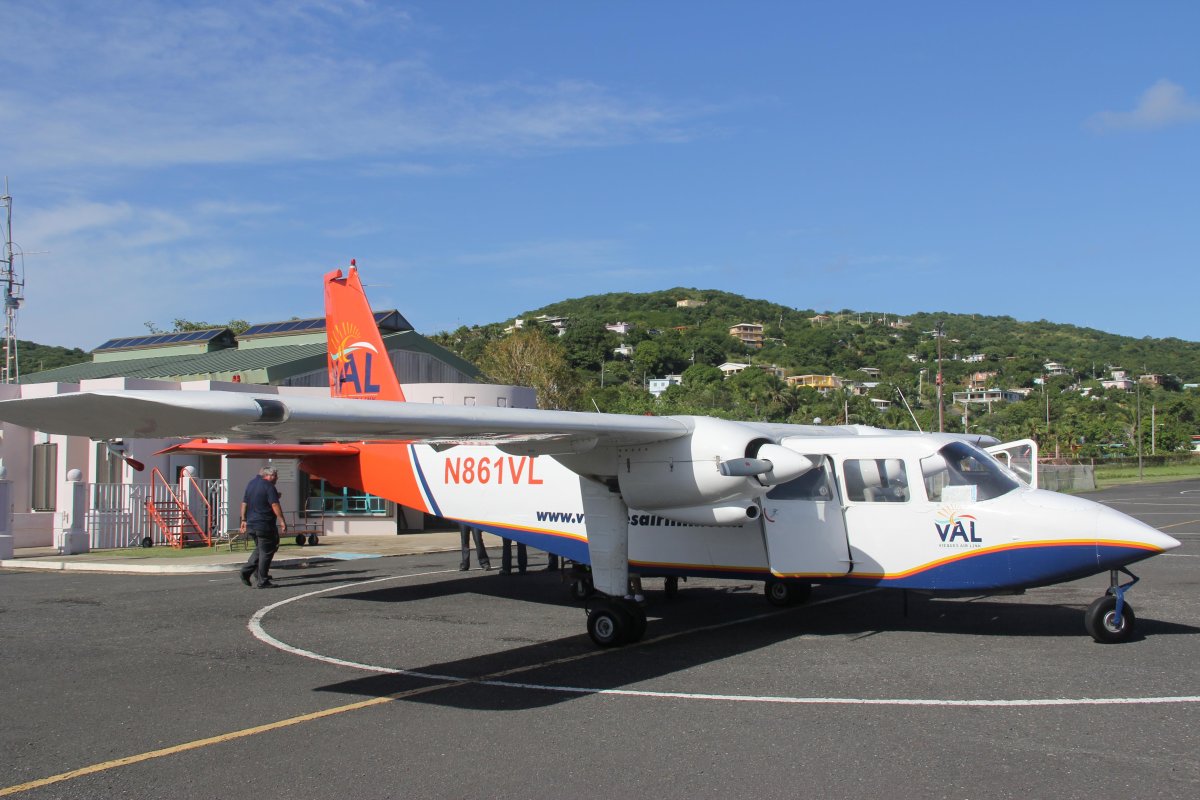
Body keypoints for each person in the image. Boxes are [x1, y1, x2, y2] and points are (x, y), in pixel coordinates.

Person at [239, 467, 287, 589]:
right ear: (268, 475)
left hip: (252, 524)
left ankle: (255, 573)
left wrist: (244, 520)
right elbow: (274, 504)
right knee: (267, 551)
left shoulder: (251, 484)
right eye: (275, 475)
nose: (277, 478)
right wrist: (282, 520)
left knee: (260, 549)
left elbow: (244, 503)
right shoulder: (269, 486)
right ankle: (260, 578)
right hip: (264, 524)